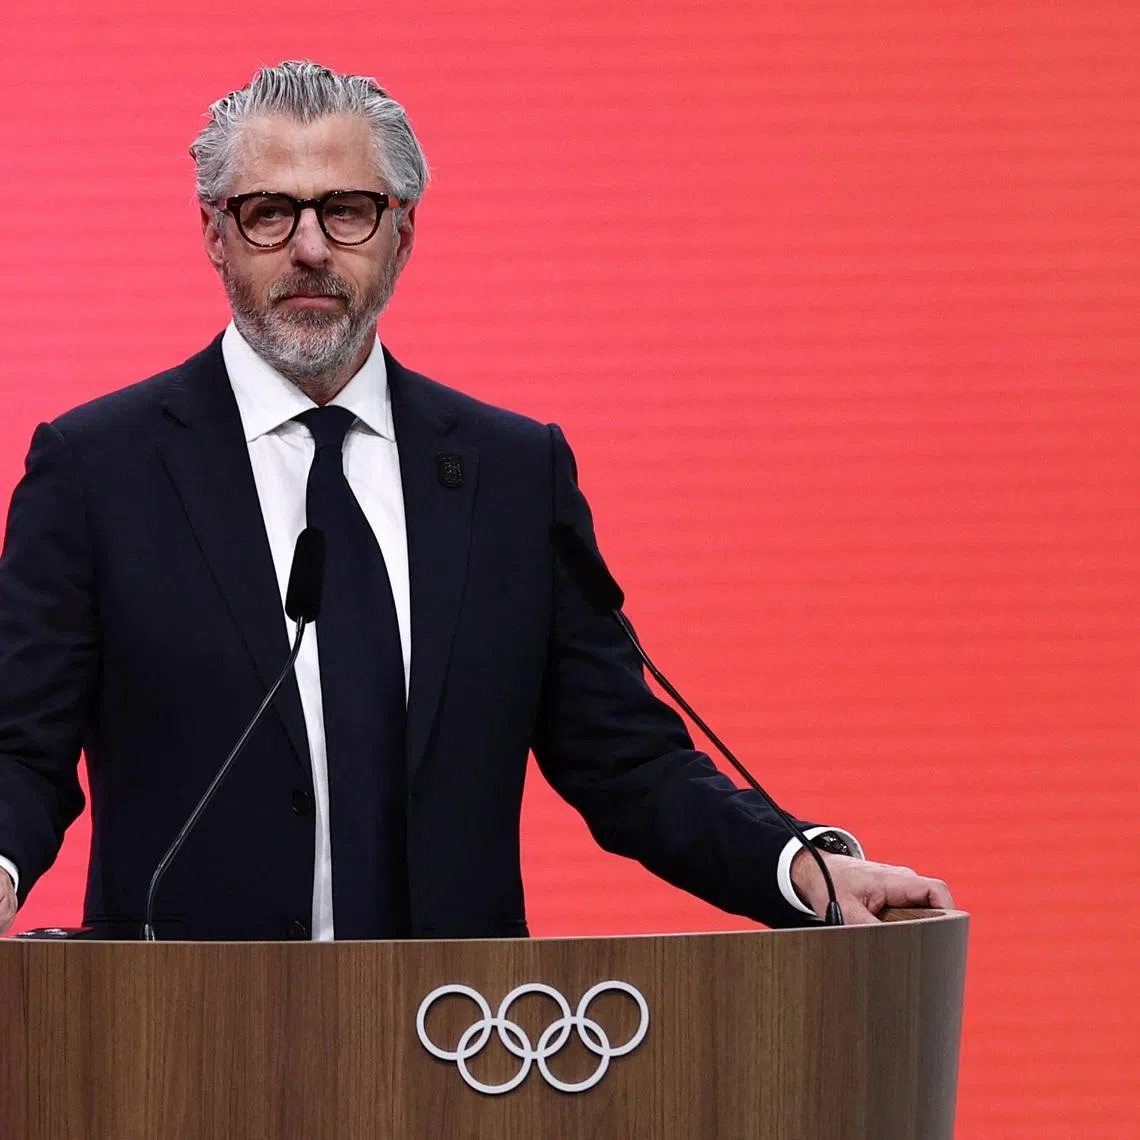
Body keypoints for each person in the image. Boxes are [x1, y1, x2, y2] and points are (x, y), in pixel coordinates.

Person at [0, 61, 950, 941]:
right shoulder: (97, 471)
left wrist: (803, 869)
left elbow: (626, 758)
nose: (309, 248)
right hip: (179, 1051)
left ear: (402, 232)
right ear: (213, 233)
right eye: (266, 213)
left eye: (348, 210)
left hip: (462, 1048)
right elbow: (22, 747)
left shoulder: (511, 471)